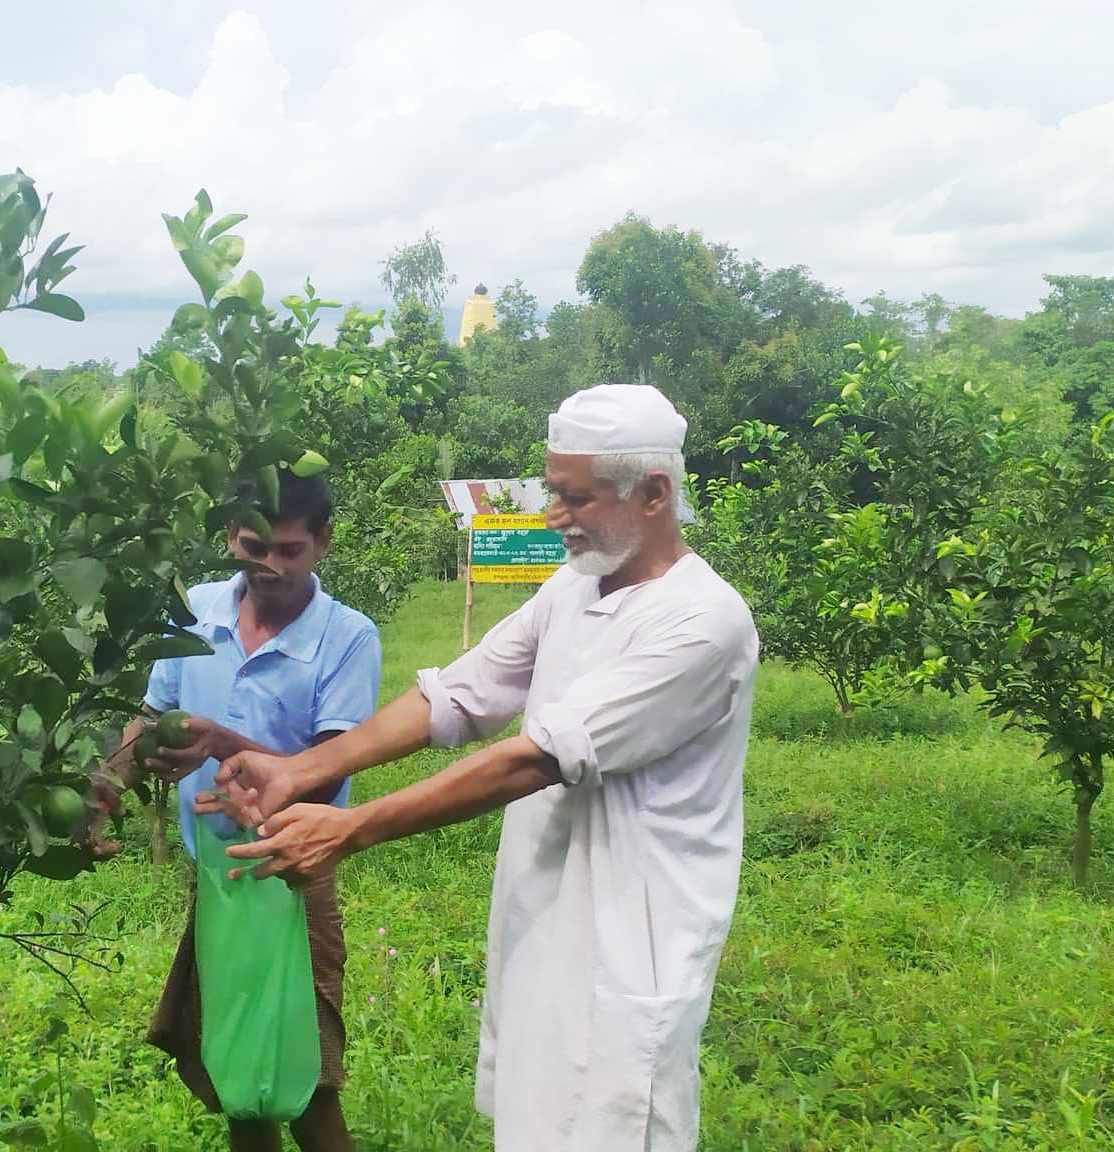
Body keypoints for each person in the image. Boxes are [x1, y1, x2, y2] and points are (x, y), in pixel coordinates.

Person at [206, 383, 758, 1152]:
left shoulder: (700, 624)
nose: (554, 516)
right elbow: (459, 694)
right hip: (545, 918)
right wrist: (300, 772)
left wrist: (351, 827)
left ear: (655, 492)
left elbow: (530, 761)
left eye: (573, 498)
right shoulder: (575, 587)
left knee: (614, 1125)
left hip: (634, 937)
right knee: (537, 1122)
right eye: (551, 493)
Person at [94, 466, 381, 1152]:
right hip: (219, 878)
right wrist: (105, 791)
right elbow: (154, 716)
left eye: (290, 551)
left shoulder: (347, 638)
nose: (271, 567)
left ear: (324, 543)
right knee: (236, 1070)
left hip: (293, 878)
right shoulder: (194, 609)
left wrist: (223, 742)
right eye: (255, 548)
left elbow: (328, 774)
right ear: (231, 535)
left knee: (306, 1082)